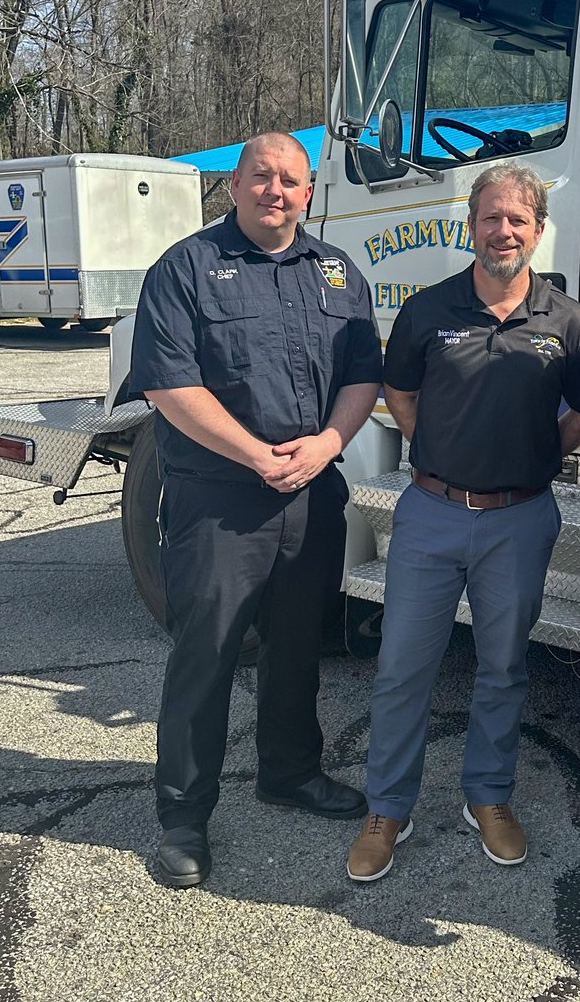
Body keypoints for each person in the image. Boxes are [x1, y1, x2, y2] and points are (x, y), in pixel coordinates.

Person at [129, 132, 383, 889]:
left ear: (310, 193)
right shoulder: (186, 271)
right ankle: (183, 814)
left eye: (292, 181)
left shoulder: (339, 273)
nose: (278, 190)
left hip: (313, 494)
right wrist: (256, 455)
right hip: (221, 502)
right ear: (234, 186)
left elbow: (363, 376)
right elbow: (168, 386)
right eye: (262, 176)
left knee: (300, 643)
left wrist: (329, 444)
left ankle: (291, 772)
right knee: (205, 653)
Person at [347, 163, 580, 882]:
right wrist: (437, 453)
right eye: (491, 218)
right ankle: (387, 808)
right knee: (403, 668)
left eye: (518, 220)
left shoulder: (568, 322)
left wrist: (537, 455)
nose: (504, 232)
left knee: (503, 668)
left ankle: (488, 797)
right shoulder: (428, 311)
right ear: (472, 226)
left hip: (520, 522)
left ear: (538, 229)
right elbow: (399, 391)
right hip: (430, 513)